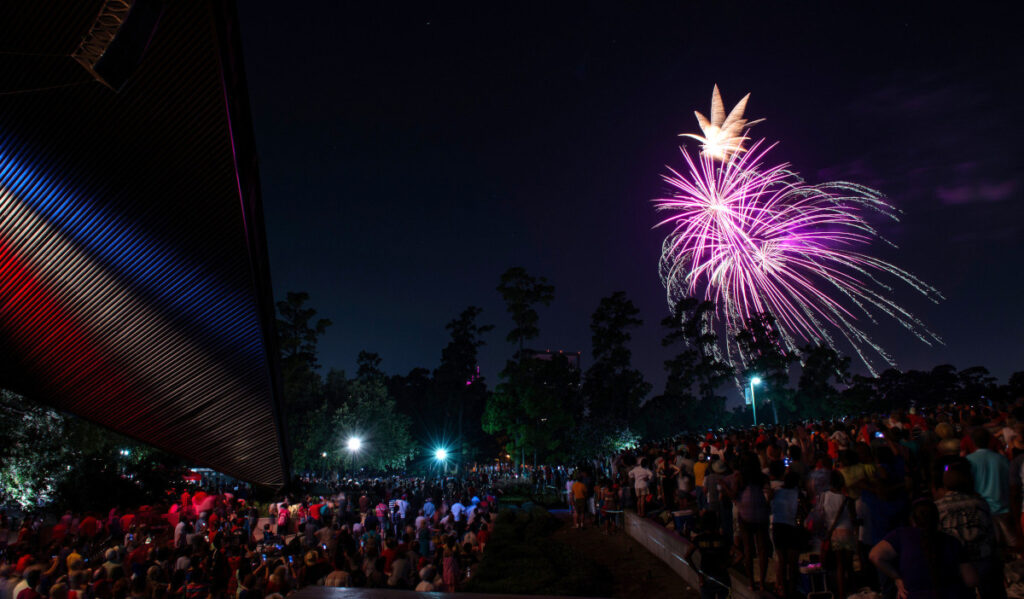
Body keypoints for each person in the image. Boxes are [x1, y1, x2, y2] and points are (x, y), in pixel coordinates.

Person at [869, 499, 978, 599]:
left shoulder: (902, 535)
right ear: (937, 518)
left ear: (912, 519)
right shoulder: (951, 541)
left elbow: (875, 556)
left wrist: (897, 578)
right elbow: (971, 580)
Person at [684, 512, 731, 599]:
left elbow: (687, 556)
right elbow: (740, 555)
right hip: (722, 577)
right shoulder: (723, 538)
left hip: (705, 577)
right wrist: (728, 564)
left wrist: (698, 574)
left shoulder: (699, 539)